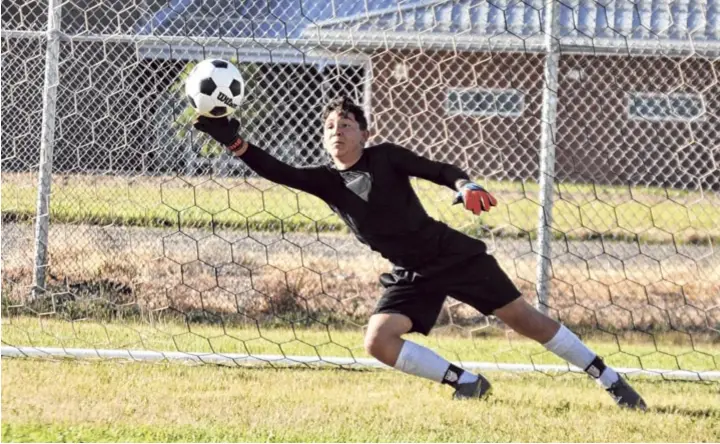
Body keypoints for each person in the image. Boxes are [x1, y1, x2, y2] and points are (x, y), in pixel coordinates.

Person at [193, 97, 647, 409]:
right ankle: (466, 383)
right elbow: (277, 171)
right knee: (378, 341)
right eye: (330, 127)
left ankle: (608, 378)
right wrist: (235, 143)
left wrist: (464, 184)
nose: (337, 132)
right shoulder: (324, 180)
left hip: (451, 254)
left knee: (525, 321)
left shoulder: (387, 157)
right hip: (410, 272)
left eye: (347, 125)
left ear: (365, 134)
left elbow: (439, 169)